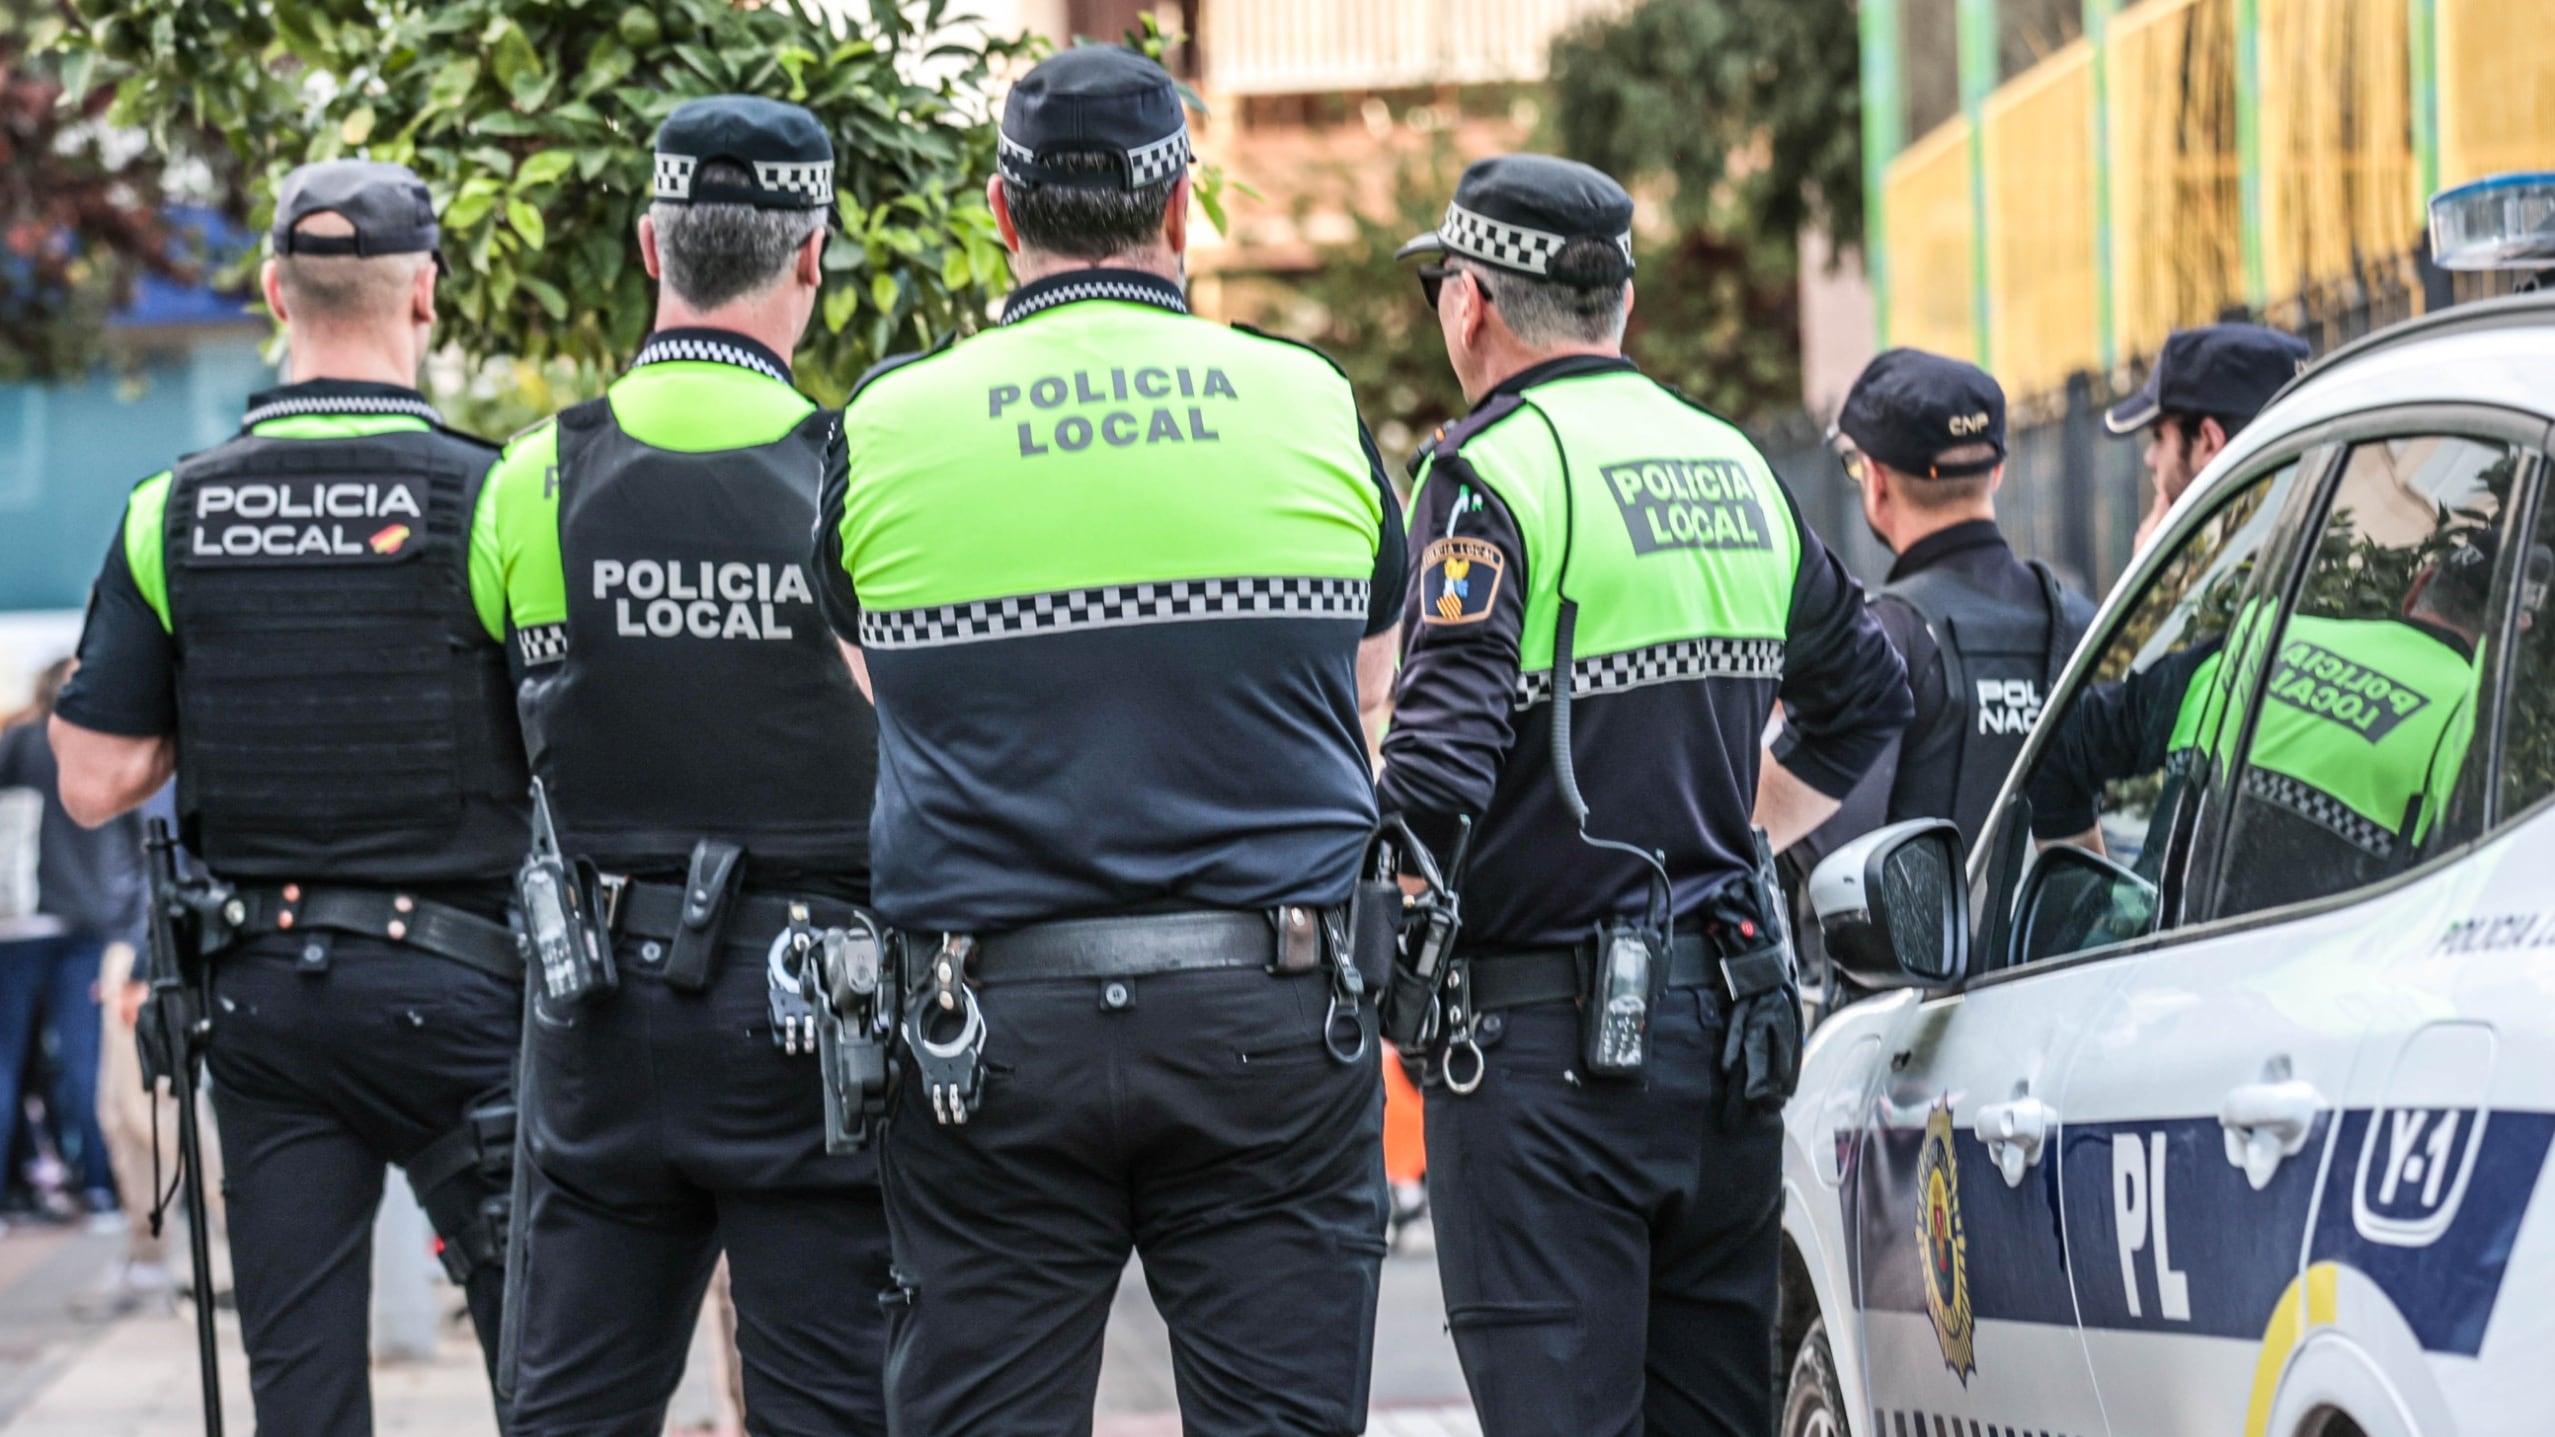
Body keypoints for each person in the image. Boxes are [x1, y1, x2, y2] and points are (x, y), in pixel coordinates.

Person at [815, 45, 1407, 1436]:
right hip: (1269, 1007)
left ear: (1000, 214)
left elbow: (880, 685)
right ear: (1183, 208)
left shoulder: (889, 421)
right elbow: (1369, 682)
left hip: (985, 1031)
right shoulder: (1306, 399)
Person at [1377, 154, 1911, 1436]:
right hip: (1724, 1041)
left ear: (1473, 305)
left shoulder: (1490, 473)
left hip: (1544, 1055)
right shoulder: (1730, 464)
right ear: (1620, 304)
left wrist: (1382, 953)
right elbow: (1868, 693)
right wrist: (1741, 833)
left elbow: (1437, 767)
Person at [47, 160, 529, 1432]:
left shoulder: (172, 509)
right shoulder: (492, 498)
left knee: (301, 1394)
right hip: (465, 997)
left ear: (271, 290)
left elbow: (94, 781)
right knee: (549, 1370)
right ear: (426, 293)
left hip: (266, 999)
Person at [477, 95, 890, 1436]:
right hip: (820, 1021)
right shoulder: (863, 476)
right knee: (834, 1410)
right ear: (811, 258)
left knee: (570, 1409)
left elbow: (497, 756)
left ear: (651, 246)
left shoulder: (529, 478)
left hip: (598, 1014)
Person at [1805, 349, 2098, 851]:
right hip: (2069, 931)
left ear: (1875, 481)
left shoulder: (1882, 641)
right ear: (1998, 472)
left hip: (1920, 932)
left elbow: (1828, 855)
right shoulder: (2084, 623)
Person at [0, 659, 136, 1221]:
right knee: (85, 1060)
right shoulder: (98, 744)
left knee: (9, 1062)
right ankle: (101, 1189)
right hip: (83, 924)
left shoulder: (15, 745)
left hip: (18, 922)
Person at [2109, 322, 2311, 551]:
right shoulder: (2313, 522)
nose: (2149, 458)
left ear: (2208, 441)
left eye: (2159, 437)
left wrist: (2158, 571)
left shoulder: (2243, 562)